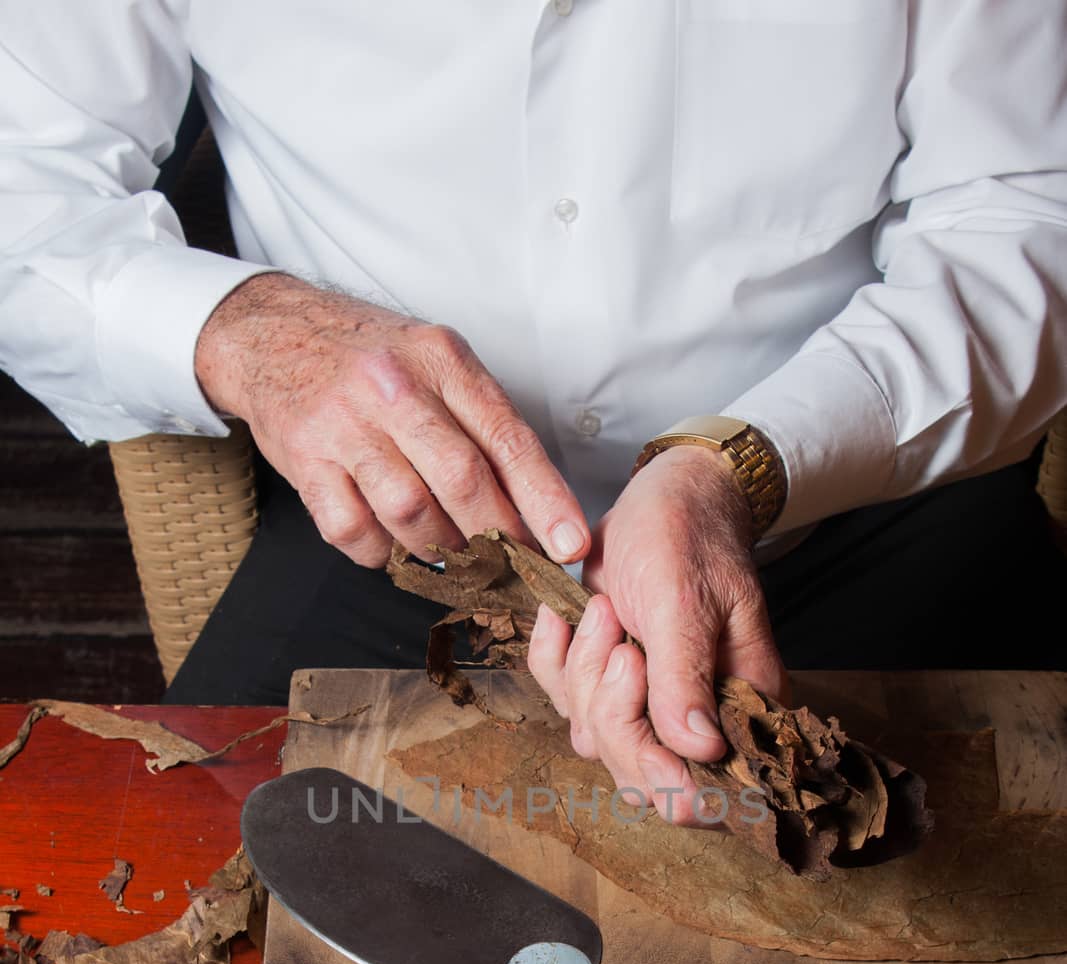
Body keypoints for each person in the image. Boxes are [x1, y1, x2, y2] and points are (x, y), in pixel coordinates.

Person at [2, 3, 1067, 825]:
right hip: (398, 546)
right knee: (175, 918)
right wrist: (246, 333)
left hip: (869, 506)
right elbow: (23, 181)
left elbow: (1020, 213)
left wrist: (737, 464)